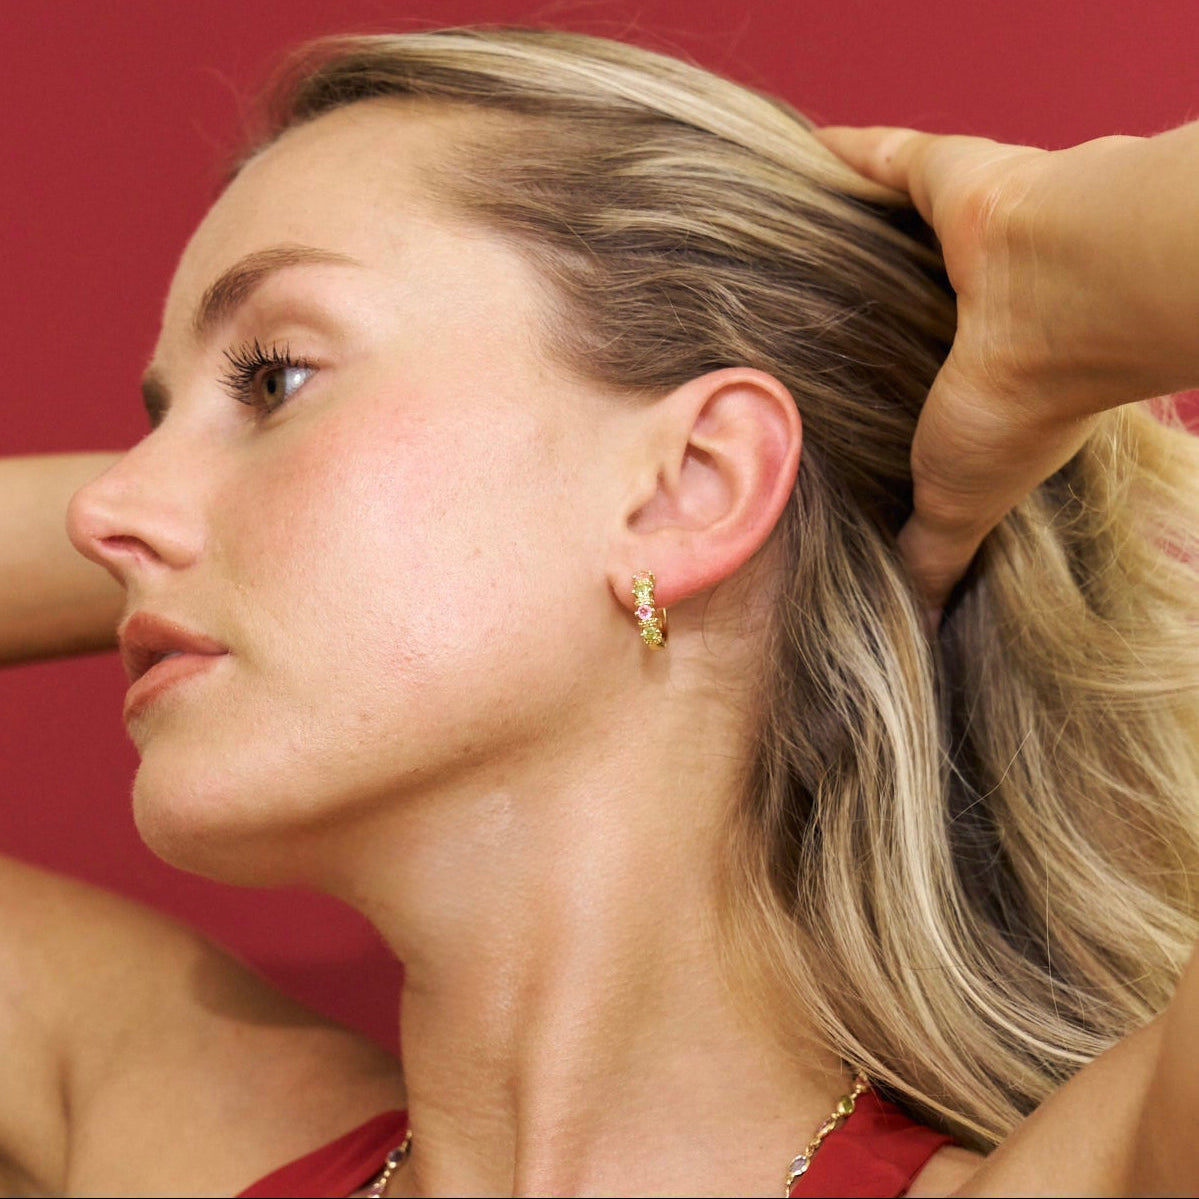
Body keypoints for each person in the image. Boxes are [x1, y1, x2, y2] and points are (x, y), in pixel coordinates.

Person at [2, 26, 1197, 1198]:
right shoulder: (170, 1122)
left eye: (274, 378)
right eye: (161, 422)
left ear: (689, 485)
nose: (102, 508)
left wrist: (1040, 262)